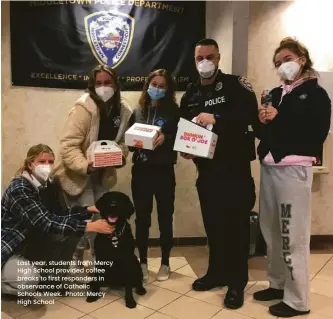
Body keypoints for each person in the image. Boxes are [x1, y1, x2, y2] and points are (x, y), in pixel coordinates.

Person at [180, 38, 261, 309]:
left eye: (210, 56)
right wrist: (186, 149)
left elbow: (251, 117)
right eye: (199, 57)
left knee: (236, 229)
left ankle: (236, 283)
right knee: (214, 227)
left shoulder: (236, 85)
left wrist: (218, 119)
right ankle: (216, 273)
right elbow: (186, 132)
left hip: (235, 170)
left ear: (218, 57)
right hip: (208, 173)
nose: (205, 62)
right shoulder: (190, 94)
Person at [254, 37, 331, 317]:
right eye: (277, 63)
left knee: (291, 234)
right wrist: (261, 121)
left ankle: (298, 300)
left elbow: (316, 133)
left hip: (293, 170)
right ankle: (277, 284)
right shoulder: (276, 93)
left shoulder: (315, 94)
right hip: (271, 166)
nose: (282, 66)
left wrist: (279, 117)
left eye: (286, 59)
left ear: (301, 58)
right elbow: (267, 130)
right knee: (271, 230)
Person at [1, 144, 114, 298]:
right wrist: (90, 226)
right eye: (42, 161)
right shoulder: (19, 188)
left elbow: (60, 215)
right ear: (30, 164)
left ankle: (50, 281)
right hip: (11, 248)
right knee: (28, 282)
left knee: (70, 233)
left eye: (50, 161)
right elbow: (46, 222)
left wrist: (87, 210)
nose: (47, 166)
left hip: (31, 243)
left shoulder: (51, 184)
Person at [53, 65, 132, 269]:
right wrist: (86, 166)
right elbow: (68, 144)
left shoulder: (124, 111)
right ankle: (76, 257)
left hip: (103, 176)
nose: (103, 87)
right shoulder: (83, 108)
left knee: (103, 217)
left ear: (116, 84)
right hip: (79, 175)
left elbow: (124, 142)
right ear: (91, 86)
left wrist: (119, 156)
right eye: (98, 83)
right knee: (86, 219)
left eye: (108, 82)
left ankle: (98, 258)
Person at [130, 69, 180, 281]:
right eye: (154, 84)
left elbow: (182, 138)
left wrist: (166, 138)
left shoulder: (174, 112)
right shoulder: (138, 110)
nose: (157, 89)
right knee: (142, 219)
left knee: (165, 218)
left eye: (162, 86)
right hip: (141, 172)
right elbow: (130, 145)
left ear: (168, 89)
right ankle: (142, 262)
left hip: (164, 172)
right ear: (147, 85)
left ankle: (165, 262)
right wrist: (136, 141)